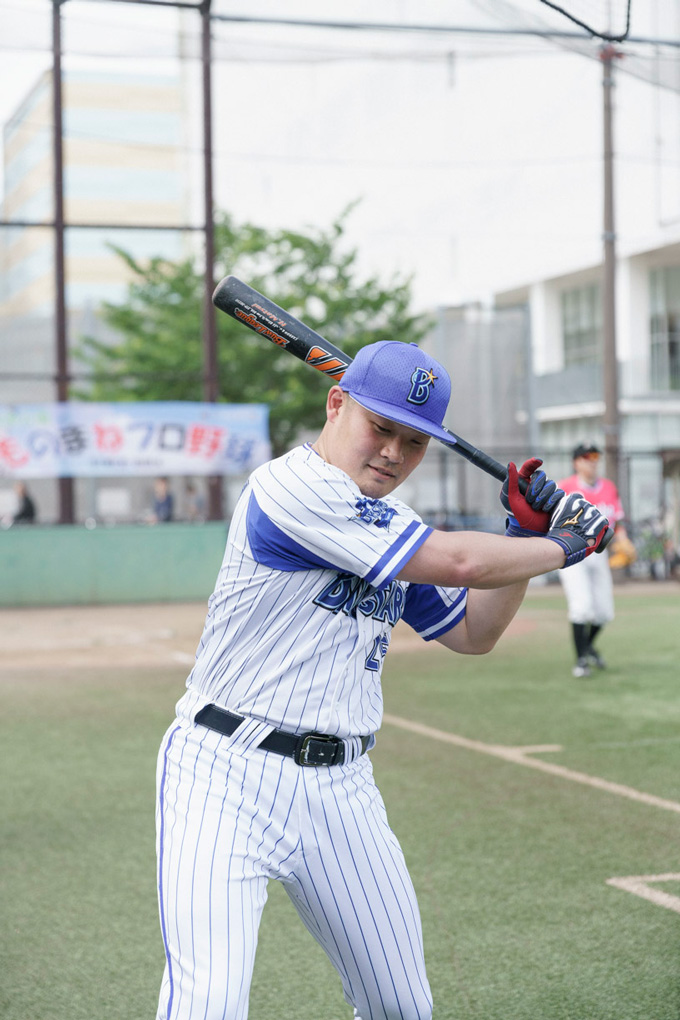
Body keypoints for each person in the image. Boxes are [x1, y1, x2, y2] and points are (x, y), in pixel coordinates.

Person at [155, 341, 609, 1020]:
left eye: (413, 441)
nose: (393, 452)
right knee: (208, 1004)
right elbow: (457, 561)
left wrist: (521, 531)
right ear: (336, 403)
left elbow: (474, 633)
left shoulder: (392, 524)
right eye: (381, 428)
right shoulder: (291, 488)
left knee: (401, 1005)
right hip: (224, 772)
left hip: (341, 788)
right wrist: (561, 546)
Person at [558, 441, 627, 678]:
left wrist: (624, 542)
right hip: (572, 553)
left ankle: (587, 647)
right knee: (582, 607)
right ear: (576, 462)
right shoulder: (565, 488)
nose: (593, 461)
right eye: (587, 457)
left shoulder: (608, 487)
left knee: (605, 612)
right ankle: (581, 661)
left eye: (595, 456)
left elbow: (616, 523)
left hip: (599, 553)